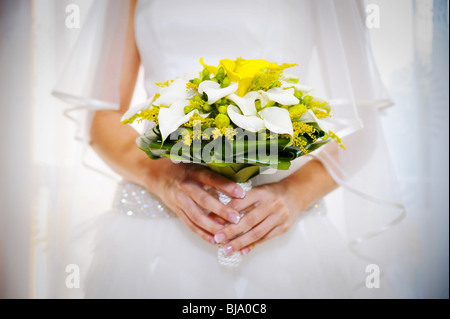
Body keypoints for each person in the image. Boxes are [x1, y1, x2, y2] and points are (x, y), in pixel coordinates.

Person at [53, 0, 409, 298]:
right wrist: (164, 180)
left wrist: (294, 195)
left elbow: (361, 121)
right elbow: (104, 114)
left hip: (280, 234)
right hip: (152, 232)